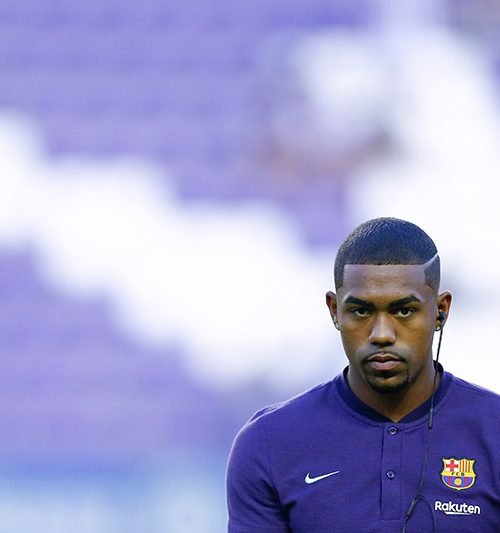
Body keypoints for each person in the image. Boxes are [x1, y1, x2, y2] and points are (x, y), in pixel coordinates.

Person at [226, 217, 500, 532]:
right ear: (334, 311)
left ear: (441, 311)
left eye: (404, 311)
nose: (381, 334)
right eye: (361, 311)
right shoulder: (269, 442)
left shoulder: (493, 431)